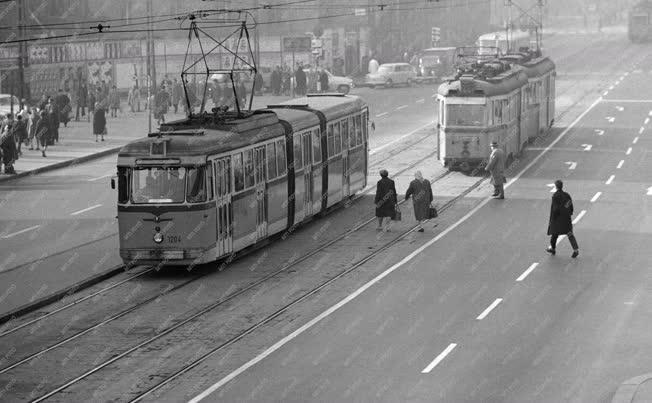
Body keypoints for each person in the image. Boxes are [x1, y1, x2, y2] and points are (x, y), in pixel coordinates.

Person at [546, 180, 580, 258]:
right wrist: (570, 213)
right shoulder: (567, 195)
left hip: (557, 220)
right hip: (566, 219)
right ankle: (576, 250)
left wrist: (553, 219)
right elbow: (570, 204)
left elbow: (555, 209)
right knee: (570, 234)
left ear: (556, 187)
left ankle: (553, 249)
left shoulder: (555, 196)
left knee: (554, 235)